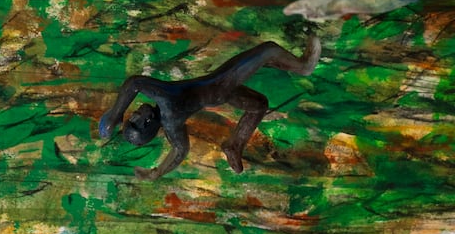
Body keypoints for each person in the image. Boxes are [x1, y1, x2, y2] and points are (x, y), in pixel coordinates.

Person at [97, 34, 320, 178]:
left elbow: (180, 151)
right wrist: (116, 113)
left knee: (259, 105)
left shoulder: (172, 124)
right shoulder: (167, 102)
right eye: (136, 114)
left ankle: (234, 145)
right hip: (221, 84)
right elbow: (134, 83)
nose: (136, 110)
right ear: (147, 122)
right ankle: (303, 67)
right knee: (268, 50)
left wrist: (157, 172)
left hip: (218, 94)